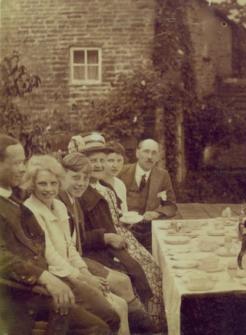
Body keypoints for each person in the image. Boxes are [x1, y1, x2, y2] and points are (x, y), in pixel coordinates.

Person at [0, 134, 113, 334]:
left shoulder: (14, 198)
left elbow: (44, 245)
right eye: (17, 163)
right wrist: (47, 278)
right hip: (20, 295)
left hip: (47, 282)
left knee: (110, 316)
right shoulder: (20, 203)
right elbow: (3, 259)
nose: (23, 169)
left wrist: (76, 275)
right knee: (100, 326)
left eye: (24, 162)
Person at [74, 133, 166, 331]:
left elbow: (116, 216)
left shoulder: (105, 186)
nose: (98, 165)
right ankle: (146, 328)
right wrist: (105, 237)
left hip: (121, 238)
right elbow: (77, 238)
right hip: (102, 249)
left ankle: (155, 323)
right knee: (140, 274)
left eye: (102, 160)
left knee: (155, 269)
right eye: (93, 161)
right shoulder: (80, 192)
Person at [22, 155, 124, 334]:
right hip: (56, 277)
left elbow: (70, 247)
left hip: (72, 272)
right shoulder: (30, 210)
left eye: (53, 183)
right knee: (110, 313)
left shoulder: (59, 206)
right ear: (32, 184)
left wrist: (85, 271)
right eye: (42, 184)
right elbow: (50, 256)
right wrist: (83, 278)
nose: (49, 189)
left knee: (116, 307)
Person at [59, 152, 154, 333]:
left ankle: (146, 328)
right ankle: (148, 329)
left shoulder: (75, 199)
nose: (81, 183)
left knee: (126, 279)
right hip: (71, 263)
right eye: (75, 177)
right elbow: (67, 247)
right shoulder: (60, 202)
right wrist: (86, 274)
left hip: (77, 258)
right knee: (121, 285)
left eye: (85, 178)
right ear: (63, 175)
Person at [118, 139, 177, 250]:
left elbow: (171, 206)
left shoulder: (162, 175)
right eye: (146, 151)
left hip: (150, 231)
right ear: (137, 153)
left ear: (158, 156)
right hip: (125, 231)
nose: (150, 156)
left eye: (154, 153)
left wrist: (157, 213)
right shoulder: (121, 172)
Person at [103, 141, 128, 212]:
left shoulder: (120, 184)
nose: (115, 165)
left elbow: (124, 213)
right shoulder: (97, 185)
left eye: (119, 160)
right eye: (110, 160)